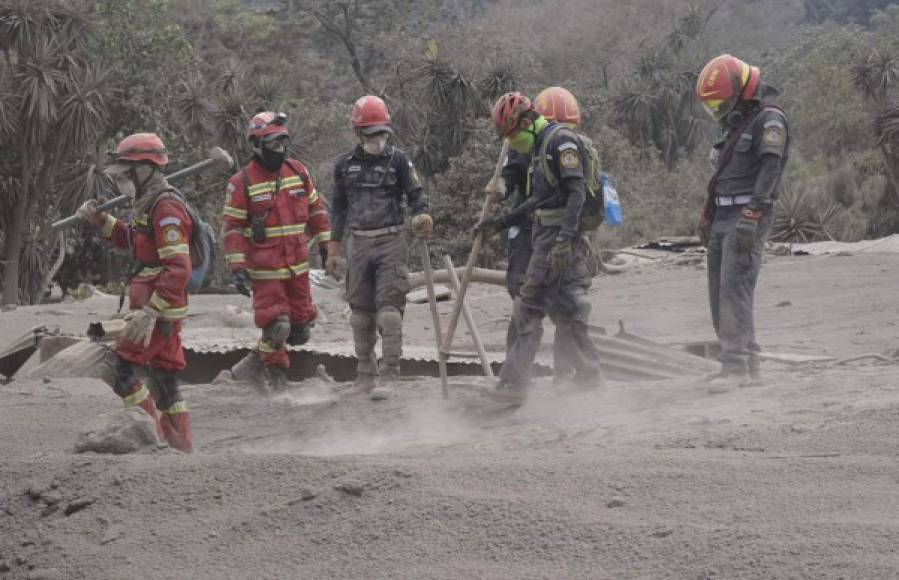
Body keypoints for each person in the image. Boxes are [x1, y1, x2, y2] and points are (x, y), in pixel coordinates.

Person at [481, 92, 602, 403]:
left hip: (556, 237)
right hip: (545, 231)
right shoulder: (538, 147)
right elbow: (540, 199)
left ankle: (514, 383)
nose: (512, 142)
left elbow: (575, 193)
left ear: (525, 121)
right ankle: (591, 376)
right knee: (565, 310)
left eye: (512, 135)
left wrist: (564, 240)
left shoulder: (560, 142)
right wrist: (501, 222)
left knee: (529, 305)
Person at [76, 133, 194, 452]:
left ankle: (146, 439)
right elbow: (134, 240)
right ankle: (181, 451)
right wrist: (101, 219)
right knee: (165, 382)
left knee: (118, 367)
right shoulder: (147, 203)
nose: (121, 182)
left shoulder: (166, 207)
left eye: (126, 174)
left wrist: (150, 313)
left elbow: (178, 267)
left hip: (157, 313)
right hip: (158, 311)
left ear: (144, 170)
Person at [328, 95, 432, 400]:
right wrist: (333, 250)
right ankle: (364, 375)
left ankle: (389, 376)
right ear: (358, 133)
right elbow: (338, 209)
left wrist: (422, 213)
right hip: (357, 242)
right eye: (372, 134)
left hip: (391, 240)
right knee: (360, 314)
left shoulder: (399, 160)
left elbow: (416, 193)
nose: (378, 140)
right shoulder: (343, 166)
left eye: (383, 133)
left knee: (389, 313)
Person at [223, 111, 336, 392]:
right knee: (277, 326)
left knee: (300, 332)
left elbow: (316, 210)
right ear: (256, 145)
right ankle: (277, 381)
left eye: (282, 142)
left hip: (297, 268)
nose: (279, 149)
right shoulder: (242, 182)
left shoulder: (298, 171)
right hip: (266, 270)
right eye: (272, 144)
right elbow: (233, 227)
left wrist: (327, 245)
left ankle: (249, 367)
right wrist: (237, 267)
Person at [696, 54, 790, 387]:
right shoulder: (737, 126)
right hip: (723, 214)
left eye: (723, 102)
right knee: (719, 294)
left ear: (743, 92)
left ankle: (735, 367)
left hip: (746, 214)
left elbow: (770, 168)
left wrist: (753, 212)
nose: (719, 110)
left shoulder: (770, 120)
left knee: (734, 290)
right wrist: (709, 213)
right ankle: (748, 367)